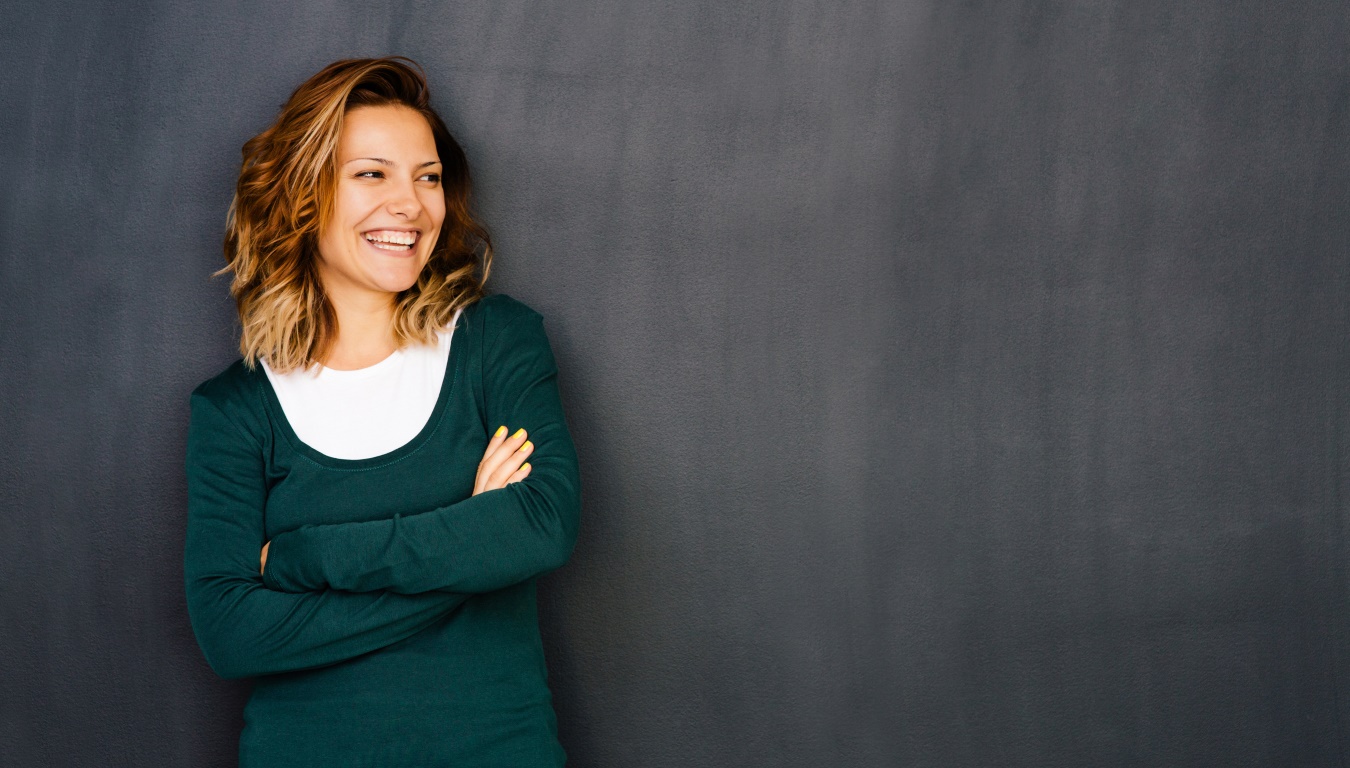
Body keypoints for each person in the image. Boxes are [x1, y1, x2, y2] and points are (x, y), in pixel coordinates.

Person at [183, 56, 580, 767]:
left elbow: (540, 525)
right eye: (373, 173)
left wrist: (304, 558)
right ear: (305, 194)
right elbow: (233, 635)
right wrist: (467, 542)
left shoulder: (496, 344)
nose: (410, 205)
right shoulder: (235, 410)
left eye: (427, 177)